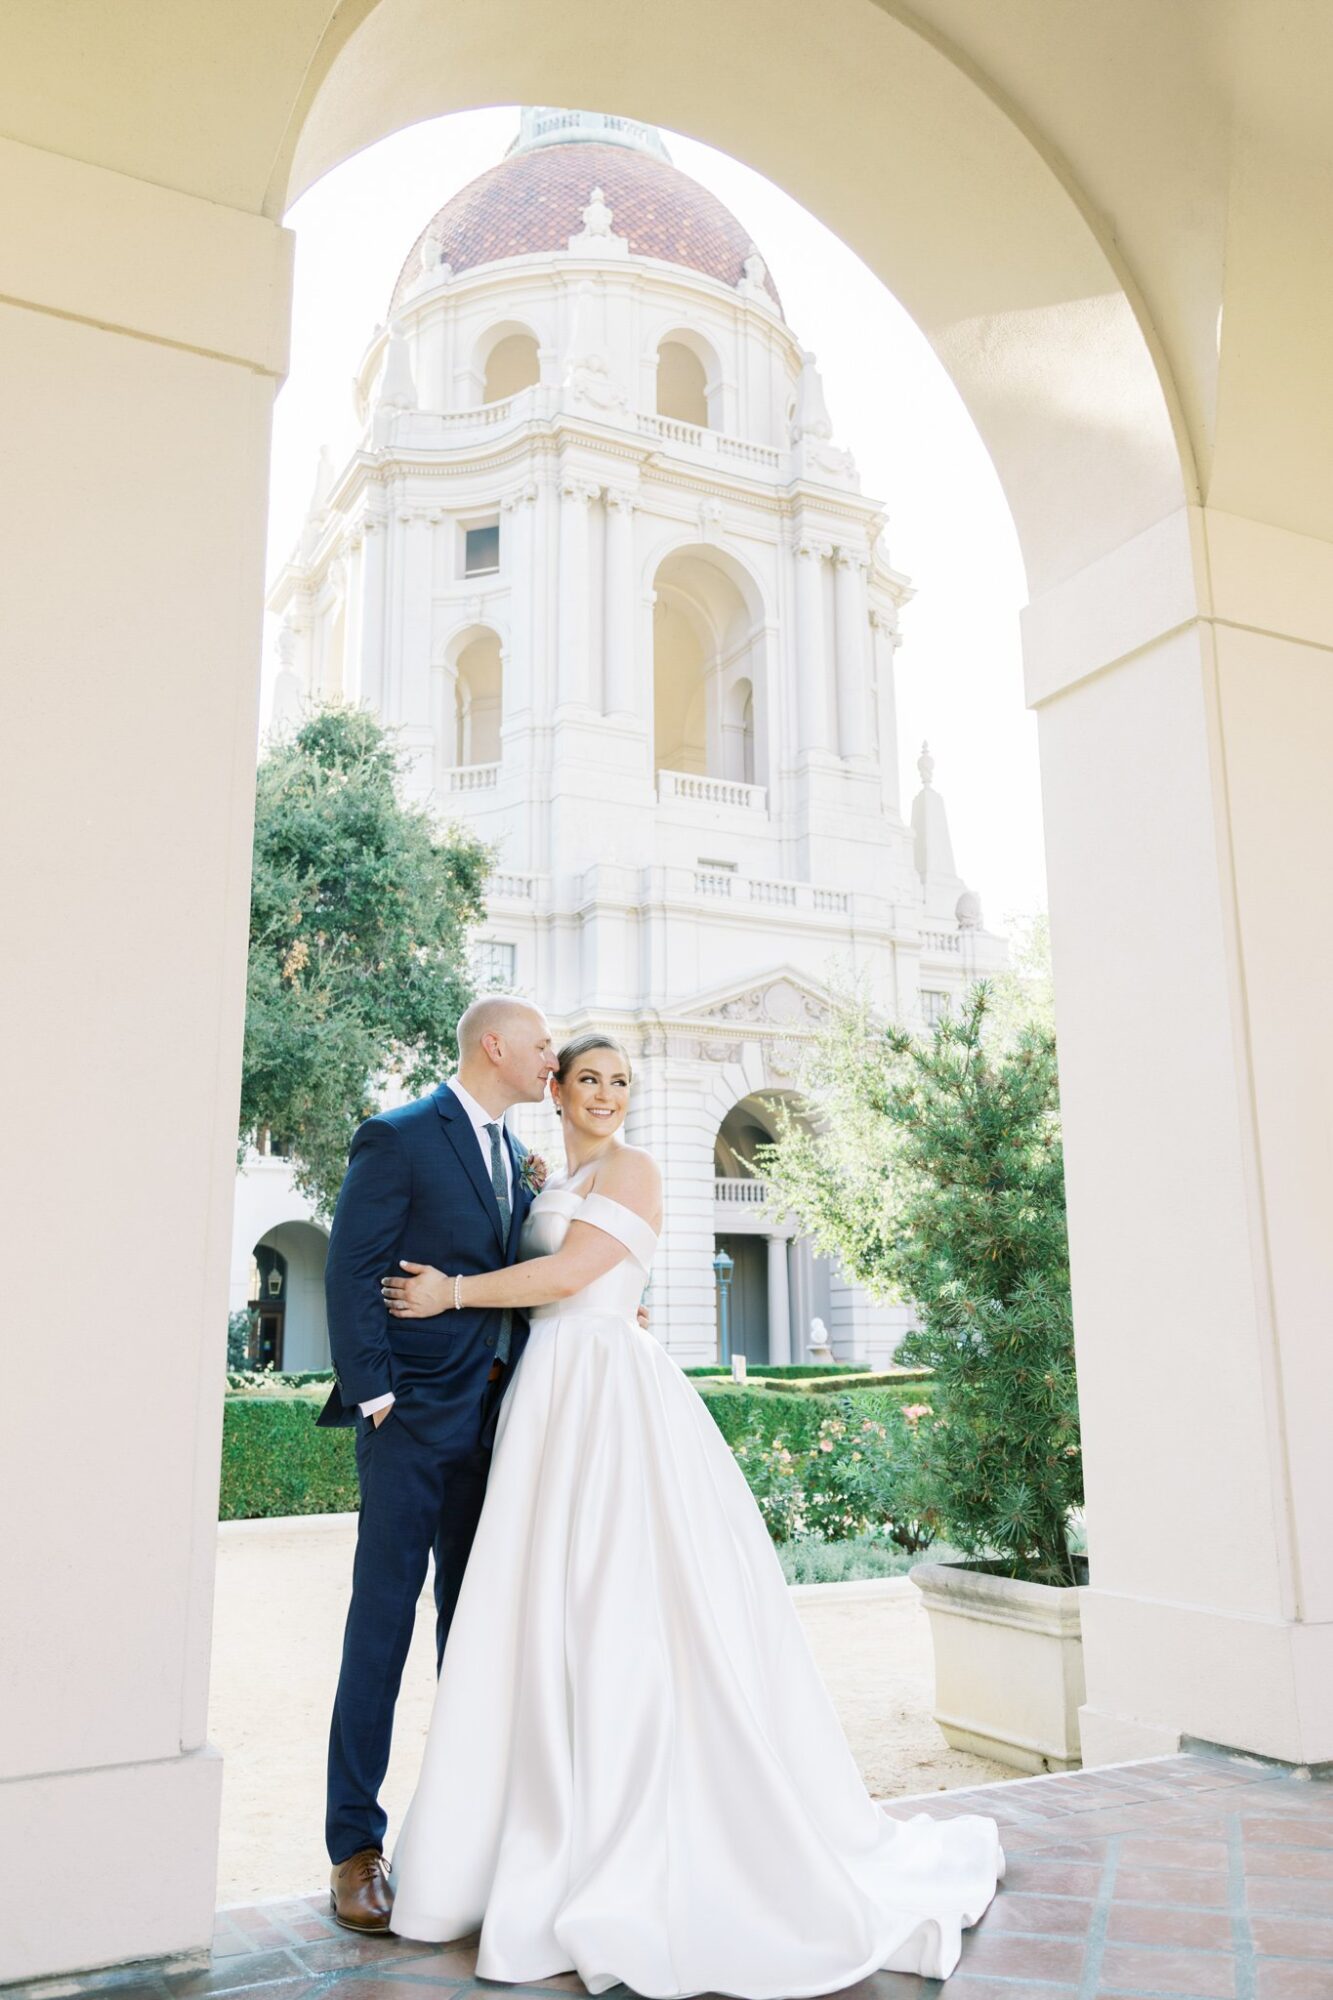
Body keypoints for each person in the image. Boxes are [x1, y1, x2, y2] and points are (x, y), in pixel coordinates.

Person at [379, 1032, 1003, 1992]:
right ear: (553, 1085)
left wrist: (448, 1294)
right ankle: (520, 1828)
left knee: (617, 1592)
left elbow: (564, 1277)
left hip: (603, 1395)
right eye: (588, 1077)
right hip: (546, 1392)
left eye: (620, 1081)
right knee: (536, 1605)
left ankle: (630, 1823)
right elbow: (544, 1255)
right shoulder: (543, 1174)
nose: (607, 1093)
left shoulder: (634, 1167)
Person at [318, 994, 557, 1933]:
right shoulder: (399, 1135)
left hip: (501, 1426)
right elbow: (351, 1269)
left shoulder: (512, 1156)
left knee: (475, 1629)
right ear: (494, 1045)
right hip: (411, 1424)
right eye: (541, 1045)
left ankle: (464, 1832)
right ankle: (354, 1849)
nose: (552, 1058)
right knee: (380, 1632)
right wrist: (379, 1398)